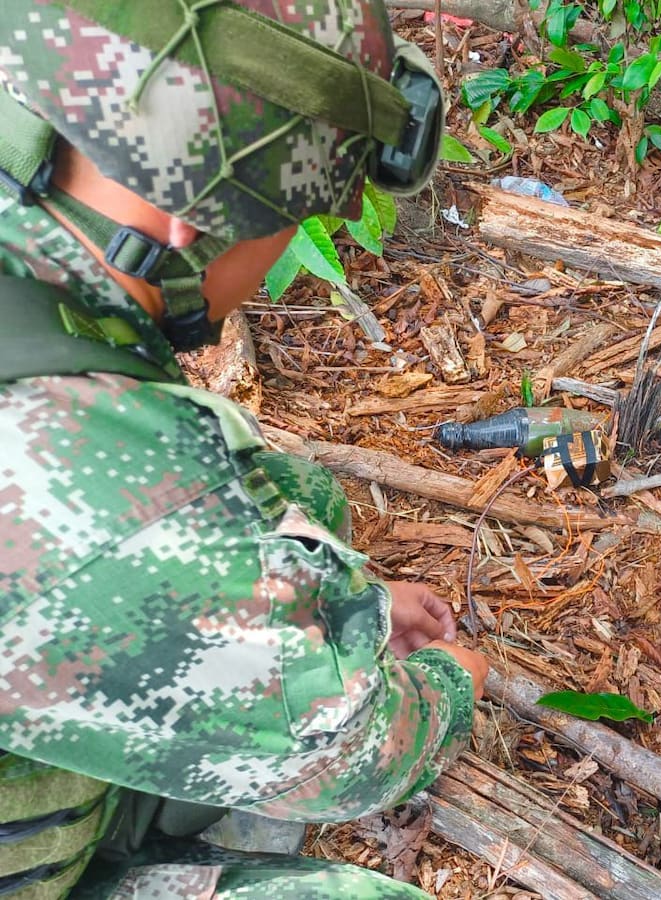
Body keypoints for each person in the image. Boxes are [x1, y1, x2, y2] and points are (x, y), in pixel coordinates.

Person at [0, 1, 489, 897]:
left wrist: (358, 605)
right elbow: (358, 755)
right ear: (188, 209)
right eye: (289, 224)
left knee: (292, 491)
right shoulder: (83, 475)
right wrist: (449, 687)